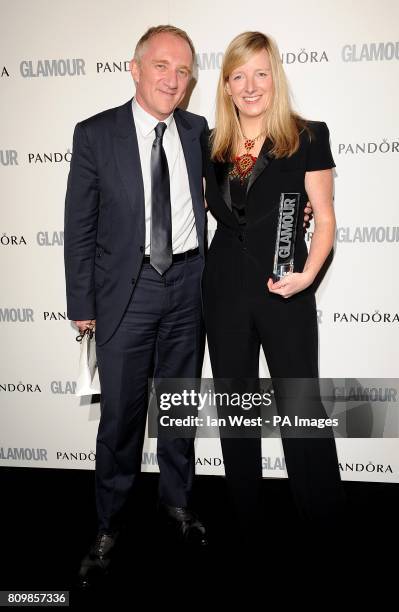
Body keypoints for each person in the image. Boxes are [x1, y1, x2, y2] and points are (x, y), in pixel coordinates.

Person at [64, 25, 210, 587]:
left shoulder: (198, 131)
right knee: (120, 419)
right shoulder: (95, 134)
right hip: (127, 291)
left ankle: (176, 504)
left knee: (177, 407)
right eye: (162, 67)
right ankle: (109, 522)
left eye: (183, 71)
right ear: (135, 67)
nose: (173, 80)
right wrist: (82, 302)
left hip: (189, 283)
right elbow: (78, 227)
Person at [202, 31, 345, 546]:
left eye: (260, 72)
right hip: (223, 292)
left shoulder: (307, 136)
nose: (250, 85)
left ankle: (323, 521)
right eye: (238, 75)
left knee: (301, 406)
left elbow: (324, 219)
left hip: (287, 289)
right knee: (236, 407)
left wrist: (308, 276)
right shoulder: (210, 143)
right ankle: (247, 522)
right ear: (226, 85)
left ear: (275, 76)